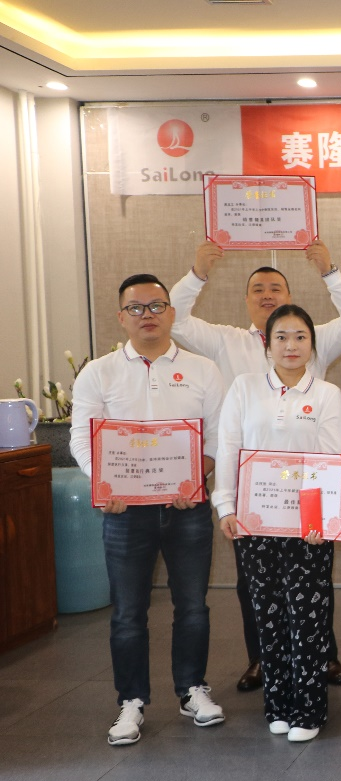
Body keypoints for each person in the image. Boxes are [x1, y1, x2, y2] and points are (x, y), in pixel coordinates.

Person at [170, 240, 341, 691]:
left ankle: (323, 656)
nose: (266, 295)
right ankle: (262, 659)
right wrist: (197, 274)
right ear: (245, 300)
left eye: (275, 287)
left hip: (306, 494)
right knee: (255, 585)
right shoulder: (226, 341)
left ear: (290, 296)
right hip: (255, 499)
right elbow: (175, 320)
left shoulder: (310, 338)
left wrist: (330, 271)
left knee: (314, 581)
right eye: (257, 289)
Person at [70, 274, 225, 746]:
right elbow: (82, 439)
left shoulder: (203, 370)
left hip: (187, 507)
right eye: (136, 308)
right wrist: (104, 483)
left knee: (192, 605)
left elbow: (218, 437)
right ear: (121, 317)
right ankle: (131, 700)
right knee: (128, 611)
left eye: (157, 306)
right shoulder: (98, 373)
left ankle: (192, 689)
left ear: (172, 313)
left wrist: (196, 477)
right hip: (125, 511)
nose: (147, 315)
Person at [213, 305, 341, 742]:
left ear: (313, 344)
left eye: (301, 337)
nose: (291, 345)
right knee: (267, 615)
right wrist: (225, 505)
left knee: (308, 617)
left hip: (308, 526)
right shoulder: (244, 387)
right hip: (255, 521)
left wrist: (322, 518)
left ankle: (309, 709)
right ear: (267, 345)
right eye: (282, 337)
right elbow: (229, 447)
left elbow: (327, 458)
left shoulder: (327, 394)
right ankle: (278, 704)